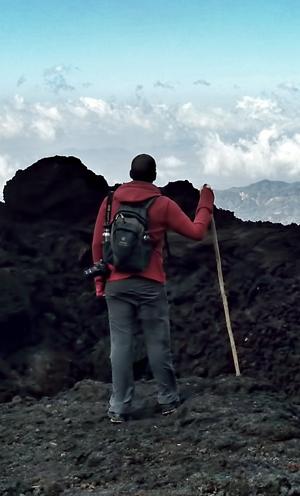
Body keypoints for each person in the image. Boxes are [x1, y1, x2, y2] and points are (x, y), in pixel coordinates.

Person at [91, 153, 214, 423]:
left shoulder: (110, 201)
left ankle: (119, 407)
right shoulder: (163, 204)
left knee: (121, 344)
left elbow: (99, 244)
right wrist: (205, 204)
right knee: (157, 342)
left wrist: (100, 280)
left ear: (131, 173)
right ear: (154, 175)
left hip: (116, 283)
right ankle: (168, 400)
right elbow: (196, 232)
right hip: (150, 284)